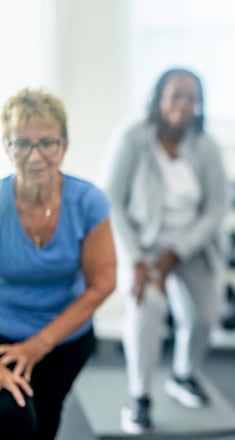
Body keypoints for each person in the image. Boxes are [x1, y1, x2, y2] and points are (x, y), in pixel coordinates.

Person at [104, 67, 230, 434]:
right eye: (175, 95)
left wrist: (176, 252)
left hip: (191, 245)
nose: (183, 104)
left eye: (192, 98)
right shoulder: (132, 138)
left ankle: (183, 374)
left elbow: (217, 208)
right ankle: (139, 397)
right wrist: (138, 261)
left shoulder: (206, 146)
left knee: (204, 318)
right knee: (148, 307)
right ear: (159, 99)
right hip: (143, 245)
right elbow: (110, 199)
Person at [0, 88, 117, 439]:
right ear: (7, 148)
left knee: (47, 420)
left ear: (64, 146)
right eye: (22, 144)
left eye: (47, 143)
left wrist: (42, 343)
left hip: (65, 338)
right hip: (4, 338)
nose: (35, 156)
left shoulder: (88, 201)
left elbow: (103, 282)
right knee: (12, 417)